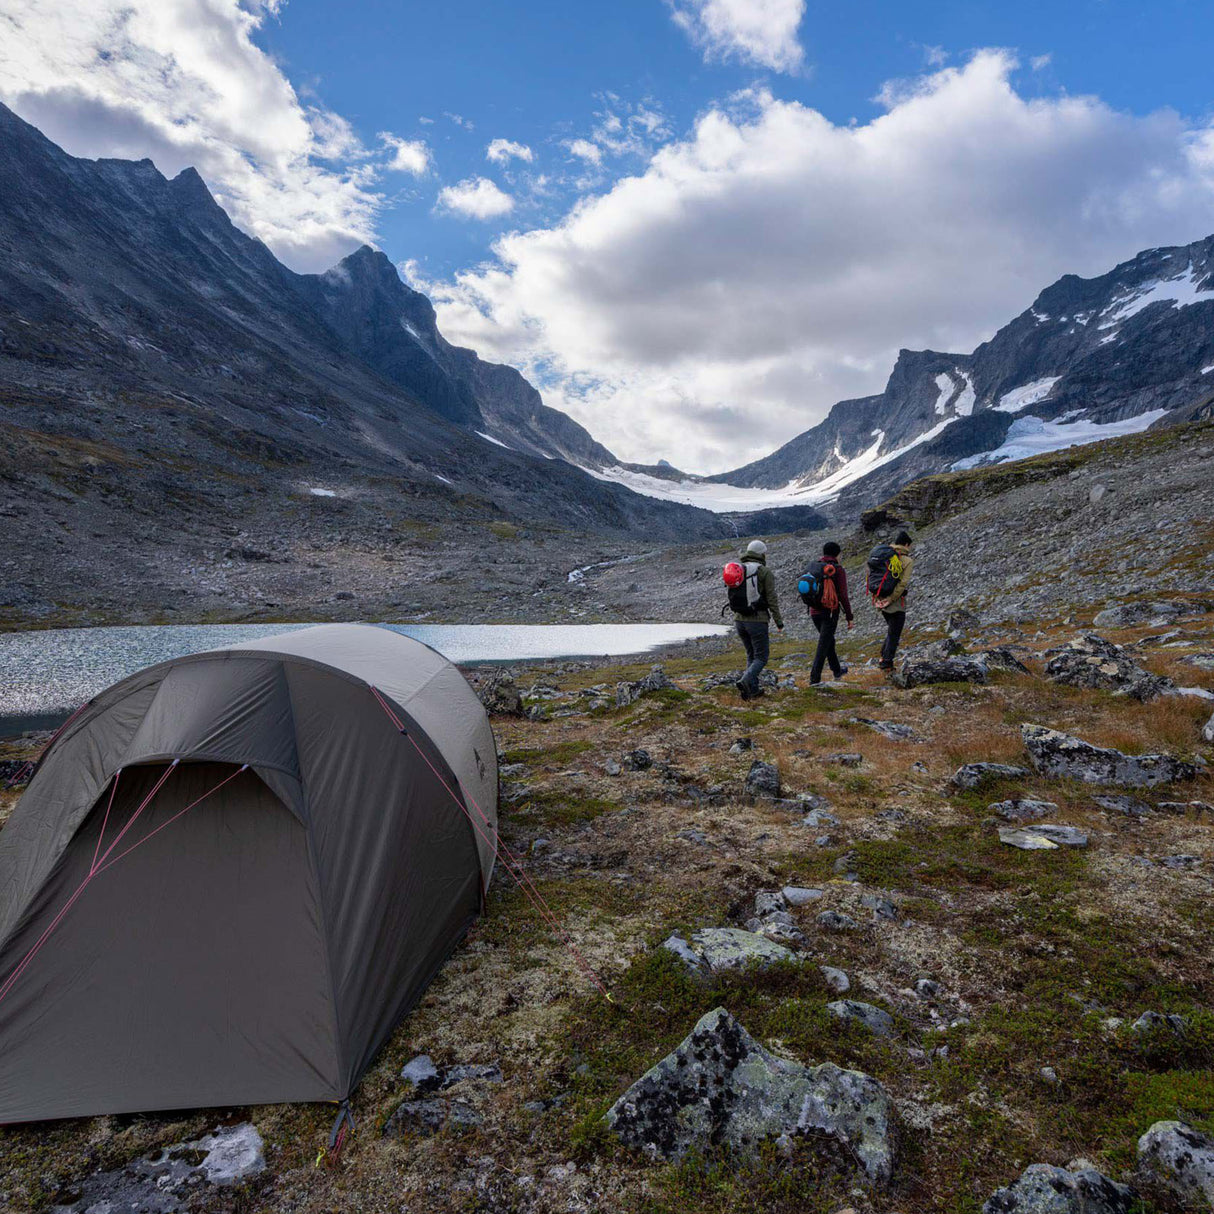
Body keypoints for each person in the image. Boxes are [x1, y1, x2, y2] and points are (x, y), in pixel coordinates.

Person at [732, 539, 783, 700]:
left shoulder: (739, 569)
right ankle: (745, 681)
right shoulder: (764, 571)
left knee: (751, 655)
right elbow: (772, 599)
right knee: (761, 657)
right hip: (757, 620)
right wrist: (778, 621)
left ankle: (752, 691)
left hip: (739, 620)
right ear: (761, 554)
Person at [807, 541, 853, 684]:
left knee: (828, 641)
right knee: (823, 645)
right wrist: (849, 616)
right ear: (837, 554)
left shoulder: (815, 567)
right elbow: (843, 595)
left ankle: (837, 670)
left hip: (814, 611)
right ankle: (814, 679)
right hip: (830, 612)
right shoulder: (837, 569)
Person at [872, 530, 914, 670]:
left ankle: (883, 657)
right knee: (895, 632)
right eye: (910, 546)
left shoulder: (884, 556)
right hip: (894, 601)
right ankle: (887, 663)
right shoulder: (907, 560)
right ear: (906, 544)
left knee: (892, 629)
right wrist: (891, 599)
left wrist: (878, 598)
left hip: (880, 598)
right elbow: (902, 584)